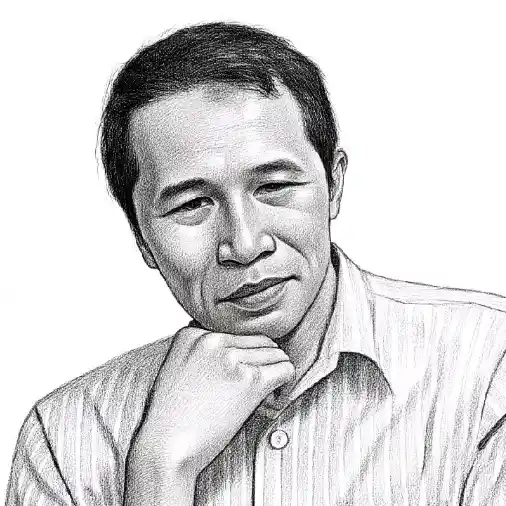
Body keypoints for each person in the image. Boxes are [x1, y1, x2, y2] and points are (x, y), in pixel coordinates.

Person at [5, 22, 506, 506]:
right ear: (142, 239)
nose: (244, 245)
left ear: (334, 185)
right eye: (191, 204)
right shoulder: (65, 438)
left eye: (274, 187)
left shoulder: (488, 366)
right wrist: (160, 468)